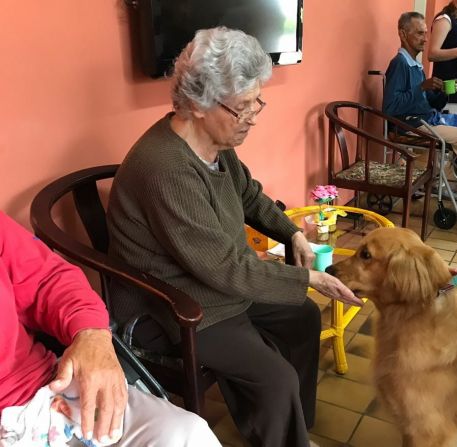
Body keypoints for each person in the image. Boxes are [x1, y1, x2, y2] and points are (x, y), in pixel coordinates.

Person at [106, 27, 362, 447]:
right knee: (275, 376)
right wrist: (309, 278)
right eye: (243, 107)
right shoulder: (165, 168)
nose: (254, 116)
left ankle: (290, 429)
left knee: (303, 317)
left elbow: (248, 195)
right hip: (172, 305)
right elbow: (222, 267)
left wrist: (292, 234)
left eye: (256, 101)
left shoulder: (215, 142)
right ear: (199, 104)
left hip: (214, 283)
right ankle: (283, 434)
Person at [0, 212, 221, 446]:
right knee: (255, 370)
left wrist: (90, 332)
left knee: (186, 433)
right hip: (171, 312)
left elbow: (46, 280)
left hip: (44, 388)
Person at [384, 12, 457, 219]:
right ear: (403, 34)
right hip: (412, 125)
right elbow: (390, 108)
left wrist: (440, 92)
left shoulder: (416, 65)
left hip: (429, 119)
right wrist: (422, 87)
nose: (426, 38)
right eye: (420, 33)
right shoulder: (400, 64)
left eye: (425, 33)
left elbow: (428, 102)